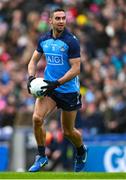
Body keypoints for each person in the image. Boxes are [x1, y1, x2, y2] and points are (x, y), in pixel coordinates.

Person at [27, 8, 87, 172]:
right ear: (50, 21)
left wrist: (57, 83)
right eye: (58, 18)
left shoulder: (71, 41)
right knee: (37, 119)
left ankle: (81, 151)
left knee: (68, 132)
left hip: (68, 91)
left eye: (63, 18)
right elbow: (32, 61)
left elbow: (76, 69)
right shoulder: (44, 39)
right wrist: (31, 78)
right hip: (50, 89)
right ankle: (41, 156)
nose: (61, 21)